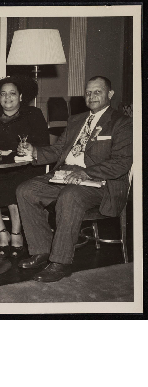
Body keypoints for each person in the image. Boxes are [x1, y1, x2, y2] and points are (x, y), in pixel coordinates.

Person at [16, 76, 133, 282]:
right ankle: (42, 250)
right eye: (88, 92)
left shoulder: (122, 123)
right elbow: (58, 150)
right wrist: (34, 151)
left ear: (110, 94)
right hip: (67, 174)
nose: (92, 96)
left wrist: (86, 173)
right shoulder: (76, 120)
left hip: (101, 182)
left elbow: (121, 163)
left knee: (71, 195)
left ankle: (60, 262)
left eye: (98, 92)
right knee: (26, 190)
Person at [0, 75, 49, 258]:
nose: (7, 98)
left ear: (21, 97)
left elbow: (44, 145)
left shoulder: (34, 114)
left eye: (12, 94)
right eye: (3, 94)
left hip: (25, 166)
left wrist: (29, 148)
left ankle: (16, 233)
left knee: (18, 186)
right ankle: (2, 232)